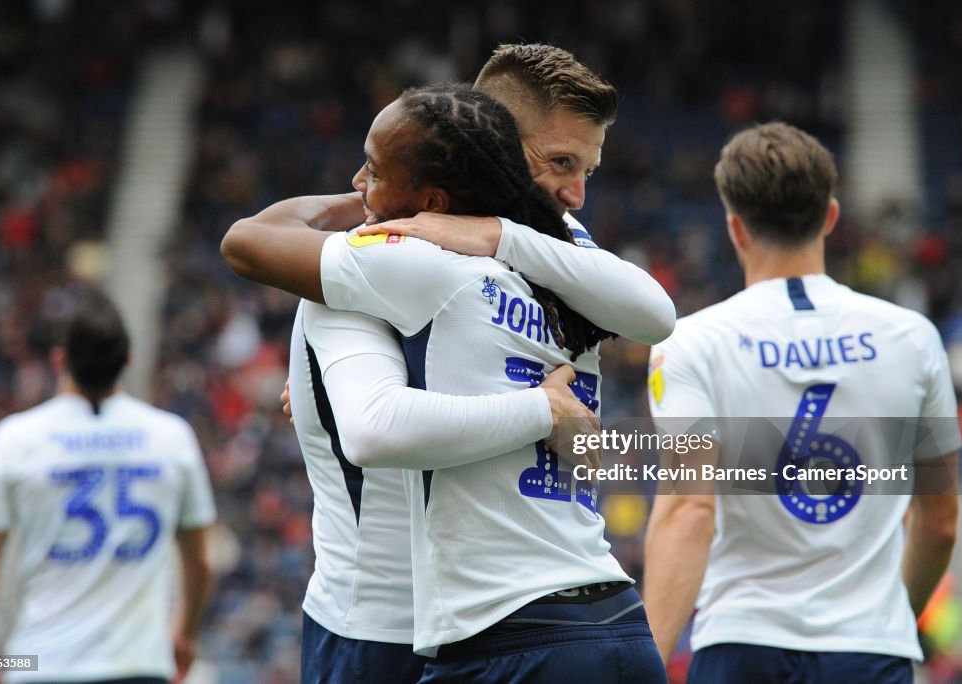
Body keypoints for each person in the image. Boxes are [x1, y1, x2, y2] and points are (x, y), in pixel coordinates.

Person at [236, 44, 675, 684]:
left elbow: (654, 316)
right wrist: (378, 194)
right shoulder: (394, 247)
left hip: (478, 620)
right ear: (491, 138)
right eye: (559, 162)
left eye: (587, 169)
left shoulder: (558, 249)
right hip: (389, 617)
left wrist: (493, 231)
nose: (576, 195)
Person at [642, 121, 961, 683]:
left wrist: (645, 667)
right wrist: (890, 621)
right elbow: (939, 524)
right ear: (831, 217)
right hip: (871, 647)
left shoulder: (690, 342)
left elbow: (690, 509)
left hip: (742, 645)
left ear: (735, 228)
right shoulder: (912, 338)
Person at [0, 288, 216, 684]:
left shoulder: (15, 440)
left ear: (60, 359)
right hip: (138, 664)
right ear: (127, 361)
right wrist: (185, 635)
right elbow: (198, 562)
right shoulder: (173, 438)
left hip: (41, 663)